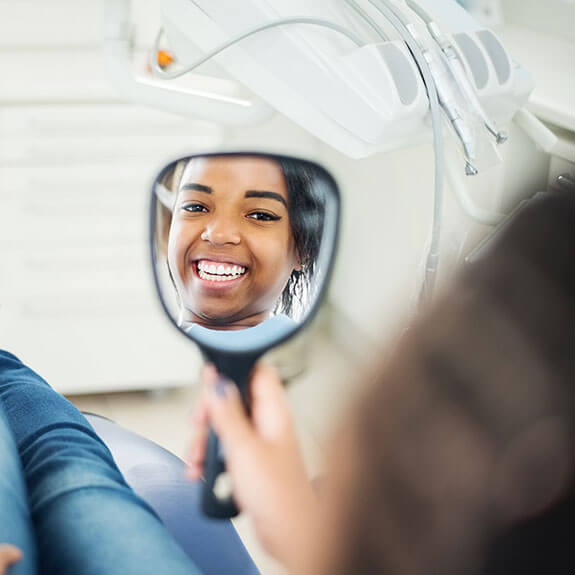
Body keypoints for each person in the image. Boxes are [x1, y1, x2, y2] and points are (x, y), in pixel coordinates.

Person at [156, 154, 325, 331]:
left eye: (260, 215)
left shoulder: (305, 354)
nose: (218, 235)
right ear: (169, 227)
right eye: (195, 207)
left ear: (302, 248)